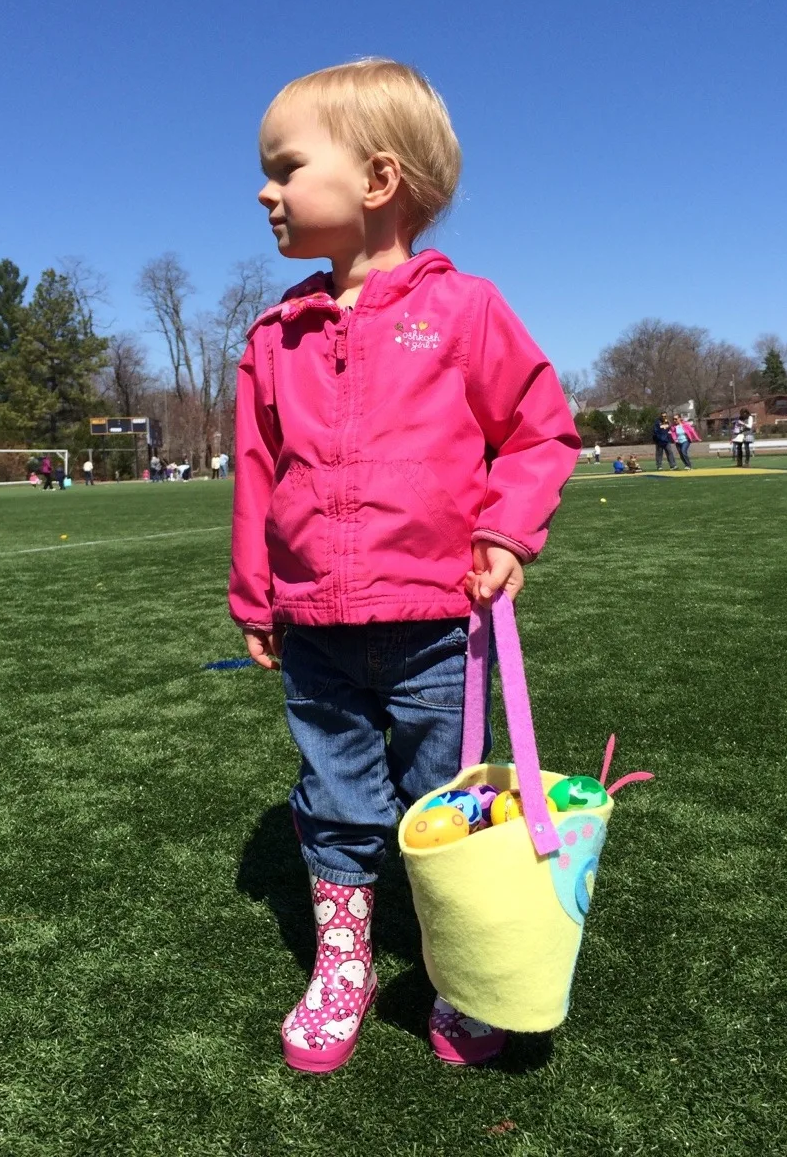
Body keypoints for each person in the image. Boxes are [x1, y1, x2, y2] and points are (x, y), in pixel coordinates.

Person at [229, 58, 581, 1075]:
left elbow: (538, 432)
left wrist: (507, 532)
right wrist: (256, 594)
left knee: (448, 807)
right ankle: (345, 958)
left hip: (439, 625)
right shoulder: (274, 335)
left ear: (376, 181)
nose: (266, 190)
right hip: (319, 631)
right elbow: (257, 475)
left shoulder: (465, 311)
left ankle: (461, 965)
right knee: (336, 797)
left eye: (287, 167)